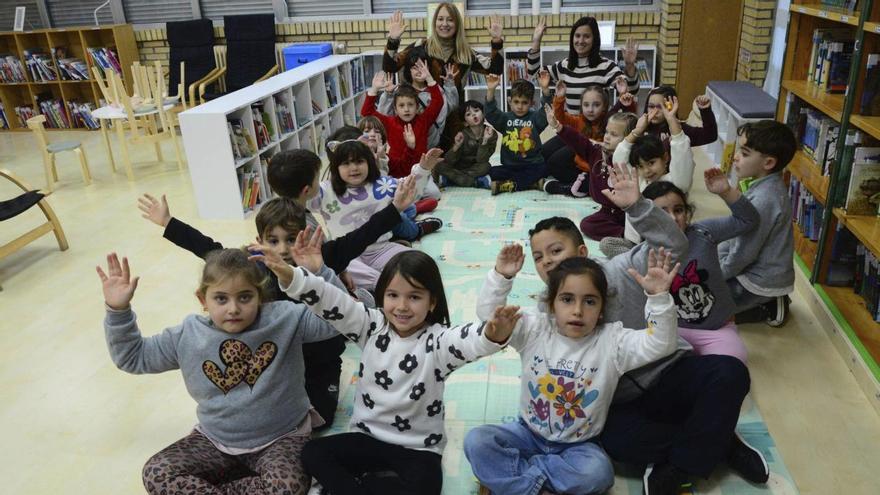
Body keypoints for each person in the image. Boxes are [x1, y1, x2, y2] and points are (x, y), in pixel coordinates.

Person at [475, 168, 767, 494]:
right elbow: (490, 326)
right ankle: (717, 438)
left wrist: (638, 206)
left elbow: (674, 243)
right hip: (617, 400)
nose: (547, 262)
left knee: (729, 372)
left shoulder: (621, 270)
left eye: (556, 251)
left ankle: (689, 460)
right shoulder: (545, 314)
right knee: (616, 448)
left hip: (667, 372)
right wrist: (500, 278)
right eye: (539, 257)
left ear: (582, 252)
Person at [251, 229, 519, 495]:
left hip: (417, 449)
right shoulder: (370, 325)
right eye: (393, 295)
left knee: (426, 488)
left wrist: (494, 332)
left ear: (432, 302)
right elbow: (331, 301)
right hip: (366, 439)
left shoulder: (440, 342)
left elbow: (473, 340)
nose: (401, 306)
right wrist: (289, 273)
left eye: (414, 297)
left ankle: (363, 487)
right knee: (313, 452)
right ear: (382, 296)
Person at [98, 249, 340, 494]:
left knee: (286, 486)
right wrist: (118, 311)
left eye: (245, 297)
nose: (233, 309)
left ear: (260, 297)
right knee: (157, 473)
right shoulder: (187, 335)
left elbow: (338, 322)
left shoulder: (285, 317)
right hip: (214, 442)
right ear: (203, 299)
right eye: (221, 299)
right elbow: (133, 357)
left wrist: (321, 274)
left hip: (283, 438)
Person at [464, 249, 680, 495]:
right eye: (567, 299)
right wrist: (501, 277)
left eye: (589, 301)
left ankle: (520, 480)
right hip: (526, 434)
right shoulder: (535, 328)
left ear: (601, 309)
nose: (578, 310)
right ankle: (537, 485)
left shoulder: (613, 341)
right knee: (477, 441)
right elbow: (488, 317)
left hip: (579, 446)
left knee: (598, 473)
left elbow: (662, 343)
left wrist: (659, 297)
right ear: (552, 304)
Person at [641, 171, 758, 363]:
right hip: (671, 331)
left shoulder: (703, 232)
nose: (673, 218)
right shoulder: (645, 252)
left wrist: (726, 191)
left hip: (717, 328)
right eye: (662, 212)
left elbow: (748, 220)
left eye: (678, 210)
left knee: (733, 363)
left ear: (687, 213)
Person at [308, 139, 443, 289]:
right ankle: (383, 284)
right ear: (336, 167)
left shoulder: (382, 185)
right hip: (348, 255)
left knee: (420, 264)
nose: (353, 168)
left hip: (381, 249)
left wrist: (423, 168)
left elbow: (410, 189)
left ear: (369, 163)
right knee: (335, 269)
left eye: (359, 161)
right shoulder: (325, 190)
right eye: (346, 163)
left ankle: (382, 285)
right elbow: (301, 199)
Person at [528, 16, 640, 183]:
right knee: (541, 155)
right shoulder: (565, 65)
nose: (580, 40)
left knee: (555, 164)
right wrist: (536, 41)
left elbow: (630, 90)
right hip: (570, 128)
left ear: (594, 39)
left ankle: (592, 180)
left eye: (586, 36)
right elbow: (533, 75)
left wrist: (630, 66)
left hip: (593, 134)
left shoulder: (606, 66)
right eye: (577, 36)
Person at [383, 4, 504, 149]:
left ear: (457, 24)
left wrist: (497, 41)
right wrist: (392, 41)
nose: (444, 24)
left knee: (451, 164)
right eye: (440, 19)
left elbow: (495, 69)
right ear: (435, 23)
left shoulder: (465, 54)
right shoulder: (420, 46)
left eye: (450, 20)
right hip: (420, 120)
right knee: (420, 165)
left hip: (452, 121)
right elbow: (390, 67)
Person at [718, 120, 797, 327]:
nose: (735, 157)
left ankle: (769, 306)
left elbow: (744, 251)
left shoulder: (764, 200)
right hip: (748, 268)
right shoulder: (760, 184)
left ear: (768, 163)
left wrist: (719, 273)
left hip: (758, 281)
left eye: (744, 154)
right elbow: (735, 232)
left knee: (703, 306)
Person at [605, 95, 694, 255]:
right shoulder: (637, 181)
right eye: (640, 166)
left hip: (667, 244)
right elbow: (619, 158)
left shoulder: (676, 182)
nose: (647, 170)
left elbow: (681, 152)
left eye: (651, 163)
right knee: (606, 244)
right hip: (635, 244)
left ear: (665, 158)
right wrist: (638, 130)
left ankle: (640, 260)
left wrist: (672, 120)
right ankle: (636, 258)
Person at [545, 104, 638, 240]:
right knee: (587, 225)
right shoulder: (596, 152)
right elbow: (578, 140)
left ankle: (632, 235)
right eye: (606, 132)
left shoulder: (632, 159)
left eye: (614, 134)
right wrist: (558, 126)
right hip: (607, 212)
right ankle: (625, 235)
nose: (606, 137)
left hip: (630, 213)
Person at [542, 78, 637, 196]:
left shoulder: (609, 119)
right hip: (579, 164)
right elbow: (561, 119)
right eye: (586, 105)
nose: (590, 110)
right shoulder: (579, 120)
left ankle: (572, 187)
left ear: (604, 106)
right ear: (581, 106)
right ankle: (574, 184)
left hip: (596, 169)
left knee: (594, 183)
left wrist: (624, 95)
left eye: (596, 105)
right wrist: (560, 98)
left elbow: (629, 121)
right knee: (552, 161)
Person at [361, 62, 444, 179]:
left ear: (417, 107)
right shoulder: (390, 122)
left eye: (410, 105)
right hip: (396, 174)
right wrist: (374, 89)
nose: (406, 109)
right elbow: (366, 113)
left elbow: (438, 101)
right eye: (401, 105)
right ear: (395, 108)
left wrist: (429, 78)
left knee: (434, 194)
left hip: (420, 172)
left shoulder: (423, 120)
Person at [484, 75, 550, 195]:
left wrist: (545, 89)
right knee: (492, 171)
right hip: (510, 165)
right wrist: (491, 90)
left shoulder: (535, 118)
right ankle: (533, 184)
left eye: (524, 102)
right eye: (516, 102)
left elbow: (548, 110)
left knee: (544, 169)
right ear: (510, 101)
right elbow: (490, 113)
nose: (520, 106)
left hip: (532, 164)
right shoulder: (505, 118)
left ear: (532, 103)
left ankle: (505, 185)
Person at [435, 99, 496, 189]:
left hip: (476, 168)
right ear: (465, 123)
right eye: (468, 114)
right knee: (439, 165)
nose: (474, 114)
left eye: (476, 111)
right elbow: (448, 160)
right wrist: (456, 146)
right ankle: (474, 182)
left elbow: (481, 160)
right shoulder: (462, 134)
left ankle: (452, 181)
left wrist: (485, 140)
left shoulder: (491, 133)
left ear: (483, 113)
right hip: (459, 167)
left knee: (486, 166)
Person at [641, 86, 718, 148]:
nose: (655, 111)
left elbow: (710, 135)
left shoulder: (681, 130)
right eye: (651, 106)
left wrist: (705, 111)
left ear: (671, 107)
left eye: (660, 107)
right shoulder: (640, 127)